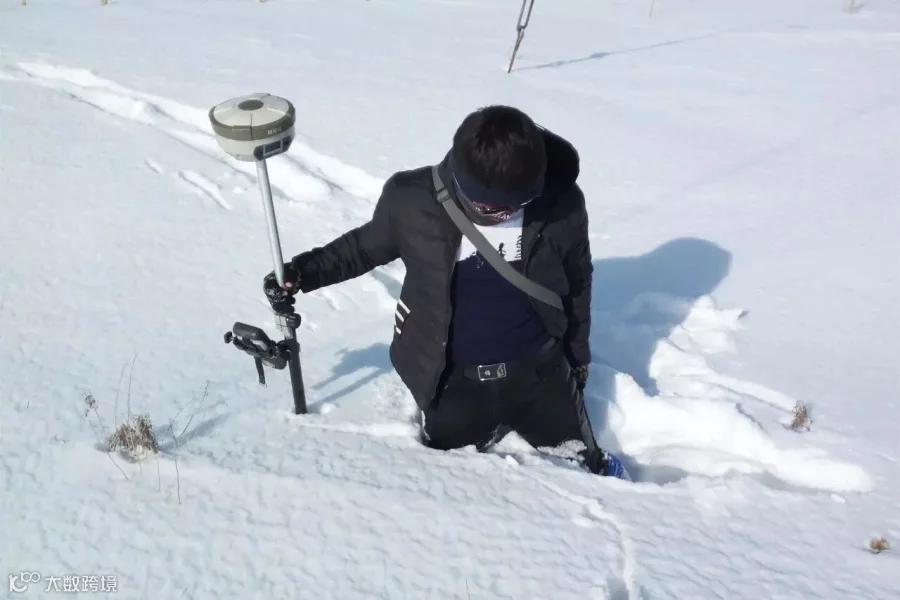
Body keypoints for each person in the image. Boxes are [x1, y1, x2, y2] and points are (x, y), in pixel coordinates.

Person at [263, 105, 628, 479]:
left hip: (541, 374)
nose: (497, 215)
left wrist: (578, 356)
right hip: (453, 382)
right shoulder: (412, 200)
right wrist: (303, 273)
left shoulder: (561, 204)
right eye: (482, 206)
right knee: (448, 481)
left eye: (511, 207)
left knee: (588, 469)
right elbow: (362, 248)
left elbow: (578, 280)